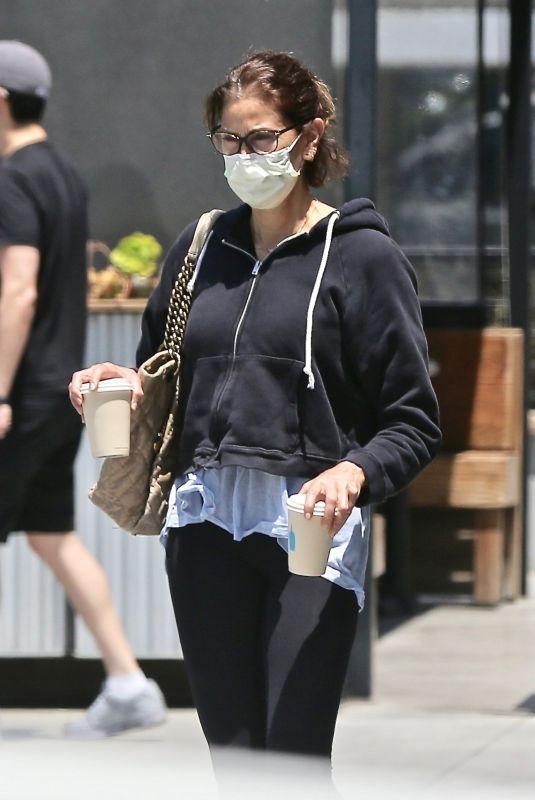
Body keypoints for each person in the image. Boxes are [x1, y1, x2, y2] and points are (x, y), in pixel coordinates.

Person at [70, 50, 440, 773]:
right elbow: (161, 367)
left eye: (262, 138)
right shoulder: (203, 244)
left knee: (293, 760)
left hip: (308, 527)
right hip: (205, 520)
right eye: (229, 141)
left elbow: (414, 420)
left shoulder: (362, 257)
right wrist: (119, 380)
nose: (244, 156)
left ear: (309, 136)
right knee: (236, 762)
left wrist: (354, 473)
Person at [0, 40, 166, 738]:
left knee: (51, 535)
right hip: (56, 393)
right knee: (52, 535)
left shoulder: (12, 179)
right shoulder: (61, 173)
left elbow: (18, 288)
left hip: (21, 396)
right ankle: (129, 683)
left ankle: (129, 687)